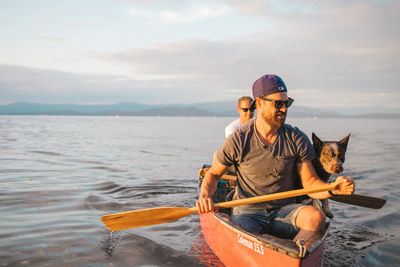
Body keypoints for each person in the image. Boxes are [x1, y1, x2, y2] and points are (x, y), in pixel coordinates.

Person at [197, 74, 355, 251]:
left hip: (285, 210)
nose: (284, 109)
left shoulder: (296, 138)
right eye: (277, 104)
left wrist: (332, 188)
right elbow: (214, 174)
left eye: (286, 103)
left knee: (316, 217)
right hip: (248, 212)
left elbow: (310, 183)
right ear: (259, 103)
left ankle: (292, 252)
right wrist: (205, 196)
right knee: (242, 232)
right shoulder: (238, 140)